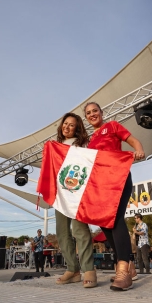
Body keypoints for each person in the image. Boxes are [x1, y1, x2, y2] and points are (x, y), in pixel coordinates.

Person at [84, 101, 145, 291]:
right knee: (104, 222)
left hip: (118, 177)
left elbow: (133, 140)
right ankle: (128, 265)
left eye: (95, 110)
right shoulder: (90, 140)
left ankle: (123, 271)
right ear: (86, 118)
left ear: (101, 112)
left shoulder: (112, 126)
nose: (92, 114)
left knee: (117, 217)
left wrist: (139, 149)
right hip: (101, 184)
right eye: (88, 113)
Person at [54, 112, 97, 288]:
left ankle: (89, 270)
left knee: (80, 230)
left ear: (77, 128)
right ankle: (72, 269)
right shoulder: (55, 146)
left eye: (72, 125)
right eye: (65, 123)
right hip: (60, 194)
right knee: (62, 233)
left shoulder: (84, 144)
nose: (67, 127)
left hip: (78, 193)